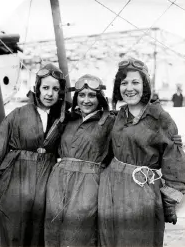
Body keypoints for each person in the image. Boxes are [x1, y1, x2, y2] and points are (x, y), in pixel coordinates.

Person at [98, 58, 185, 247]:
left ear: (145, 84)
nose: (129, 88)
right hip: (111, 190)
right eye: (124, 83)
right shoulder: (119, 115)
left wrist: (169, 202)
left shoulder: (160, 118)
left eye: (135, 82)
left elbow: (176, 164)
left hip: (141, 193)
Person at [0, 63, 67, 247]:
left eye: (55, 89)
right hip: (13, 186)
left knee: (39, 238)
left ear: (61, 92)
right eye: (45, 88)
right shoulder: (17, 115)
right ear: (37, 88)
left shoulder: (64, 119)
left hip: (45, 188)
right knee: (13, 235)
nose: (49, 93)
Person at [44, 74, 115, 247]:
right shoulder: (68, 119)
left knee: (80, 231)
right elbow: (47, 146)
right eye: (82, 95)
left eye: (92, 95)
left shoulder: (110, 121)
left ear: (100, 98)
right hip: (58, 180)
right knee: (53, 229)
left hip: (89, 181)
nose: (86, 100)